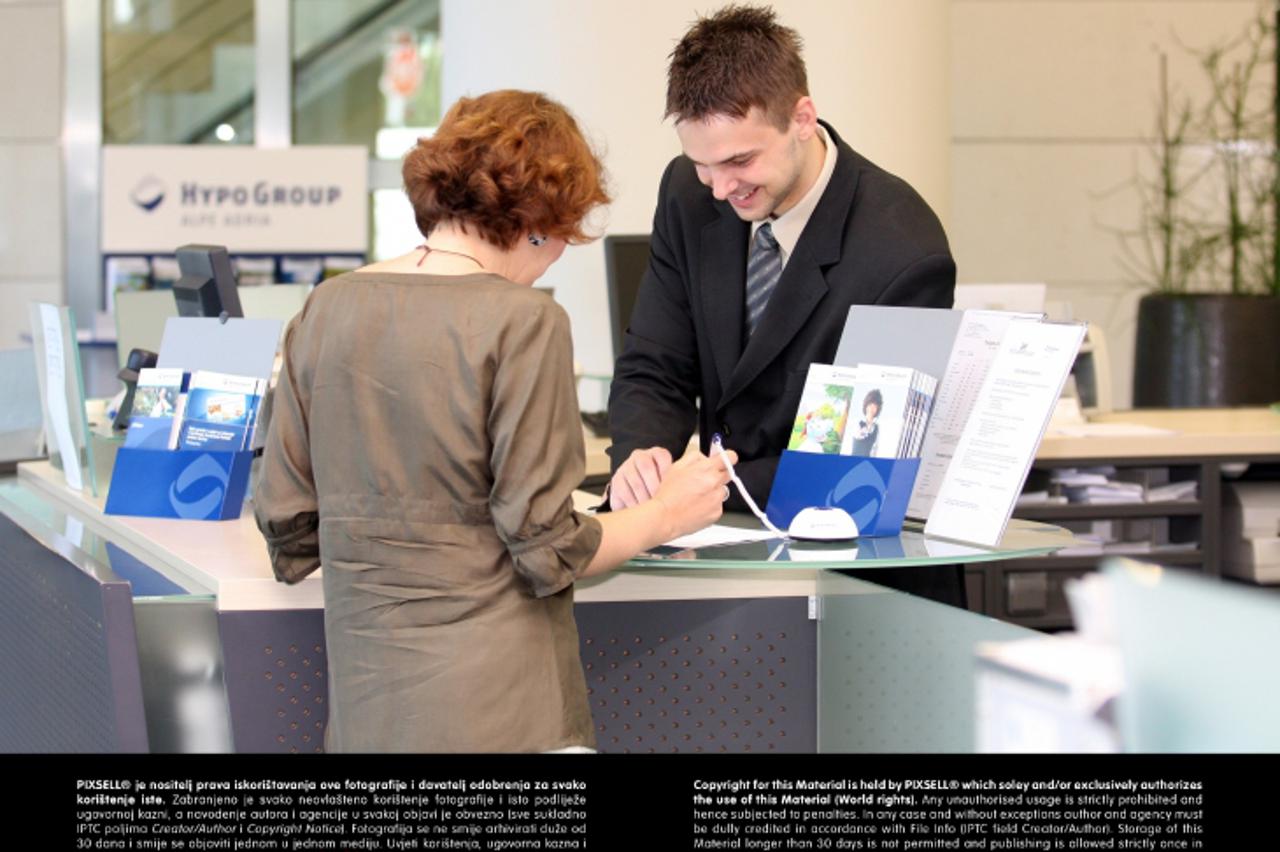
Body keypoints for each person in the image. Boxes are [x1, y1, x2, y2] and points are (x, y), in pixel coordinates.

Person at [254, 90, 734, 753]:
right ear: (538, 218)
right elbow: (546, 546)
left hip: (365, 716)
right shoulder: (524, 322)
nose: (560, 250)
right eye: (565, 230)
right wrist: (666, 514)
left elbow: (288, 527)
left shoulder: (324, 309)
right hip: (502, 712)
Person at [607, 4, 955, 514]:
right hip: (723, 531)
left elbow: (860, 455)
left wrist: (709, 485)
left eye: (740, 161)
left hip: (846, 555)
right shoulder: (687, 193)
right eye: (703, 164)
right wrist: (643, 459)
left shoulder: (904, 249)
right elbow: (655, 365)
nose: (721, 189)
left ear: (802, 119)